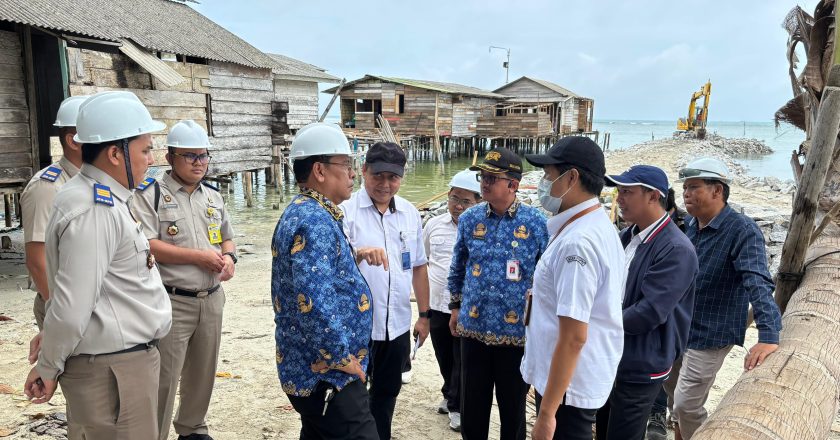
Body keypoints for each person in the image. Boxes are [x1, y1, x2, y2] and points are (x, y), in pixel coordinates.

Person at [23, 90, 171, 439]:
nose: (151, 159)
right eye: (145, 149)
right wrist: (47, 365)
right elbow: (73, 304)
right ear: (116, 153)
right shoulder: (95, 209)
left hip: (116, 363)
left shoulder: (95, 197)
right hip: (114, 369)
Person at [271, 122, 381, 439]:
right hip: (326, 373)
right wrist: (342, 360)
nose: (353, 173)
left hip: (311, 367)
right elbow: (314, 301)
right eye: (346, 165)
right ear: (319, 170)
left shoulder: (305, 210)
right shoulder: (314, 219)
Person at [132, 120, 236, 440]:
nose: (198, 163)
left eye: (203, 156)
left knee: (202, 373)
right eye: (189, 156)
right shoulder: (150, 194)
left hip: (211, 296)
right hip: (173, 298)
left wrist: (229, 258)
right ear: (170, 156)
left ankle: (192, 428)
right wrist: (197, 257)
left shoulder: (213, 196)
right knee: (166, 376)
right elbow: (147, 243)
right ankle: (157, 433)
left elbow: (227, 239)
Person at [666, 157, 783, 440]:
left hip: (713, 331)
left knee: (687, 403)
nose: (686, 194)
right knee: (671, 391)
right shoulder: (692, 225)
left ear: (717, 191)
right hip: (681, 326)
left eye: (694, 187)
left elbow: (757, 280)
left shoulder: (742, 230)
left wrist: (769, 334)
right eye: (685, 188)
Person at [520, 137, 625, 440]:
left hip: (568, 388)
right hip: (570, 381)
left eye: (548, 175)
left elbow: (574, 336)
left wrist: (547, 413)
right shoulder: (593, 225)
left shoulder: (577, 243)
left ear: (572, 178)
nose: (543, 183)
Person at [448, 147, 548, 440]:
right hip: (474, 330)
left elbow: (545, 277)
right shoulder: (469, 219)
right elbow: (459, 266)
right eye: (483, 177)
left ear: (513, 185)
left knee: (512, 410)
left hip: (515, 334)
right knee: (473, 407)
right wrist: (455, 307)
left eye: (493, 178)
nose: (485, 183)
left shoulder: (536, 224)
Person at [595, 165, 698, 440]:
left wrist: (595, 321)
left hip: (642, 360)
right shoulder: (627, 236)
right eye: (619, 191)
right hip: (613, 352)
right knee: (604, 427)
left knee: (624, 433)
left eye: (627, 192)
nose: (620, 198)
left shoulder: (675, 248)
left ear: (653, 196)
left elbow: (650, 311)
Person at [340, 141, 431, 440]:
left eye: (393, 177)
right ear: (363, 171)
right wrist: (359, 253)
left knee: (387, 395)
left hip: (397, 325)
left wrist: (425, 315)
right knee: (350, 398)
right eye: (378, 175)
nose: (385, 184)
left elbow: (418, 266)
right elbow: (329, 269)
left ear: (402, 177)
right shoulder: (344, 213)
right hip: (358, 327)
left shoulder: (408, 213)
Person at [20, 95, 88, 330]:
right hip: (65, 309)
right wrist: (62, 315)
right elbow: (37, 261)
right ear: (73, 140)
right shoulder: (47, 187)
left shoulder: (95, 183)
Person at [423, 168, 481, 432]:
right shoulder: (433, 225)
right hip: (436, 304)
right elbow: (423, 262)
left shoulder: (482, 229)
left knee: (462, 359)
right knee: (443, 355)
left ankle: (458, 405)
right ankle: (449, 393)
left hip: (466, 307)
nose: (457, 205)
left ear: (478, 201)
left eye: (465, 200)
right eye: (454, 198)